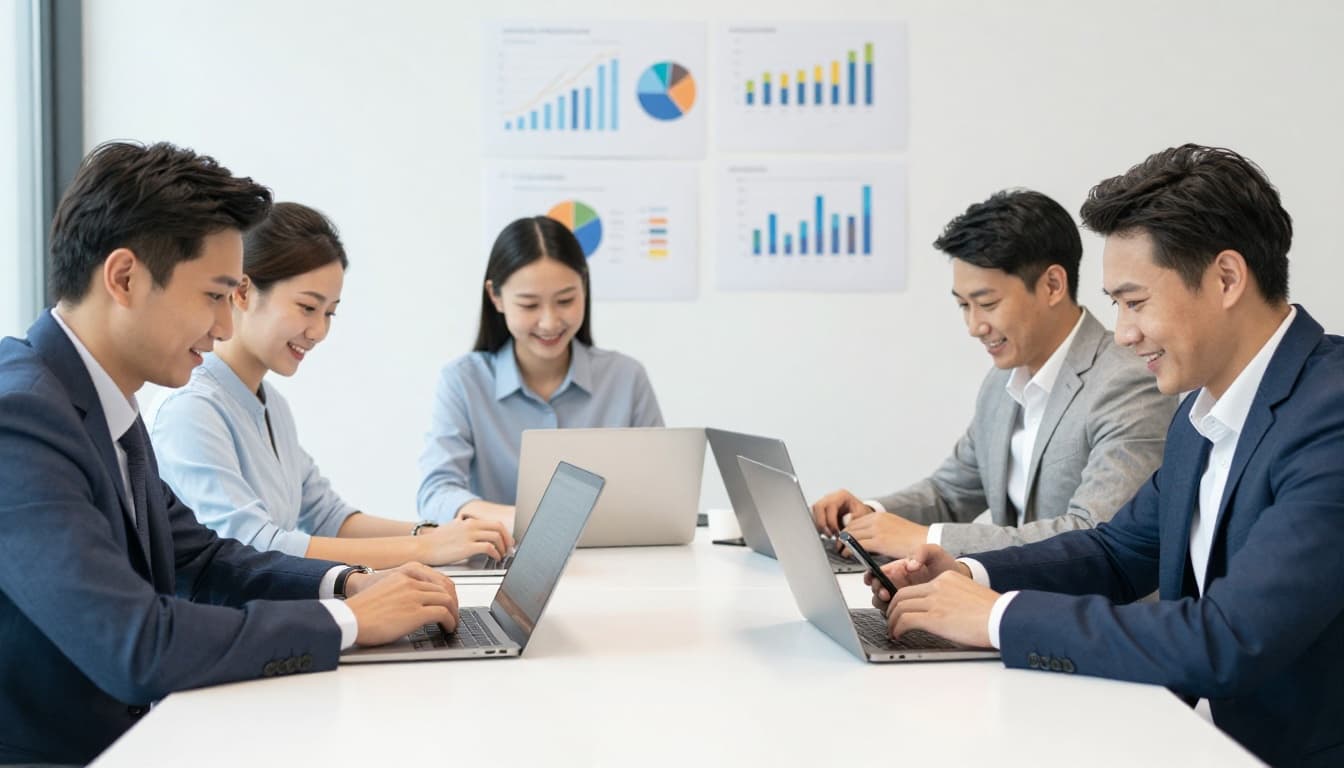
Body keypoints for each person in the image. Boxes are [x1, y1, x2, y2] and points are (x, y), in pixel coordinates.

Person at [873, 145, 1344, 766]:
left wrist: (995, 618)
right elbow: (1116, 551)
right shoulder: (1201, 412)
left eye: (1136, 301)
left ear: (1227, 278)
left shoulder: (1329, 412)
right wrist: (966, 576)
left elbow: (1230, 639)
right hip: (1188, 733)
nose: (1122, 332)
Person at [0, 141, 459, 765]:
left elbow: (206, 559)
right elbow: (136, 644)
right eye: (215, 295)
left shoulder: (103, 403)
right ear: (125, 277)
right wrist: (349, 623)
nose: (223, 327)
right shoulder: (21, 415)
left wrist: (351, 585)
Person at [813, 190, 1175, 558]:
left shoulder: (1129, 381)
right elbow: (950, 493)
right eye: (962, 305)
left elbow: (1093, 533)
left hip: (1089, 610)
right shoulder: (1002, 382)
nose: (974, 326)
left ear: (1052, 285)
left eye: (987, 304)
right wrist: (869, 516)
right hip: (1009, 599)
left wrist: (927, 541)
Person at [151, 202, 513, 569]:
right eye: (307, 308)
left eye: (329, 313)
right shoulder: (190, 409)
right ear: (242, 292)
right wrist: (425, 550)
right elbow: (254, 545)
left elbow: (329, 517)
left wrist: (434, 534)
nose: (319, 331)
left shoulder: (270, 404)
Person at [417, 216, 663, 523]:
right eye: (529, 305)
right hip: (500, 560)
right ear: (496, 297)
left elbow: (659, 493)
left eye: (565, 300)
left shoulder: (626, 378)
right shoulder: (464, 381)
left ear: (584, 287)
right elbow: (436, 494)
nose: (549, 322)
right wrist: (530, 521)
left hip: (616, 559)